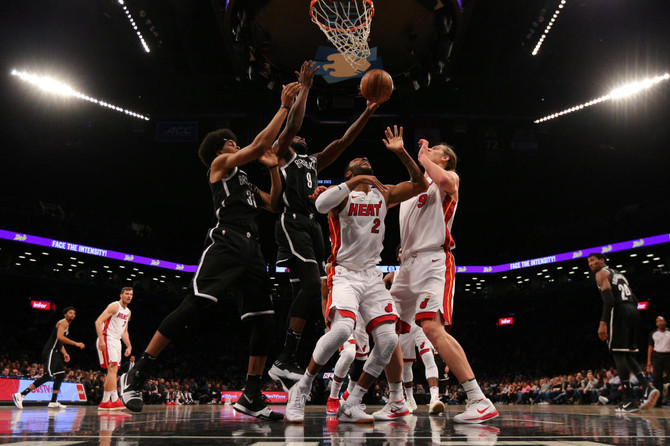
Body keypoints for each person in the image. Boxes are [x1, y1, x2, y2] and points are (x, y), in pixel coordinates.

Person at [118, 82, 301, 421]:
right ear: (221, 149)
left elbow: (274, 204)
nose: (237, 144)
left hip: (252, 249)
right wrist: (284, 107)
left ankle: (251, 395)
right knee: (196, 304)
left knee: (265, 321)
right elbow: (259, 144)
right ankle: (137, 374)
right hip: (226, 240)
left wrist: (274, 168)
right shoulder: (220, 166)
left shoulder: (245, 181)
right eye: (232, 142)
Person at [285, 125, 428, 423]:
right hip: (344, 273)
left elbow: (419, 185)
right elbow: (320, 205)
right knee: (341, 331)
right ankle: (302, 386)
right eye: (357, 162)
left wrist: (402, 152)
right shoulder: (341, 195)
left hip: (372, 276)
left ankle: (352, 402)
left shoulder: (383, 194)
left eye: (366, 160)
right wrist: (356, 181)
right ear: (348, 174)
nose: (364, 158)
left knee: (387, 341)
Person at [269, 64, 381, 391]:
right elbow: (292, 125)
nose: (302, 136)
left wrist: (368, 111)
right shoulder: (284, 154)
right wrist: (304, 89)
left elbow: (344, 141)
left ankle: (287, 358)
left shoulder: (313, 161)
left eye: (304, 137)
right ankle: (285, 358)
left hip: (311, 226)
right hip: (292, 221)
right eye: (299, 136)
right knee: (308, 284)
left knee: (309, 290)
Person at [382, 138, 499, 423]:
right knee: (385, 328)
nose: (429, 150)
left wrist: (422, 157)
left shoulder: (449, 179)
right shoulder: (413, 187)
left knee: (432, 328)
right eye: (428, 149)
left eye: (435, 149)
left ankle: (478, 399)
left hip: (433, 260)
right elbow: (381, 198)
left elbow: (444, 180)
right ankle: (397, 400)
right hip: (406, 265)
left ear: (445, 158)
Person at [587, 252, 660, 412]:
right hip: (632, 310)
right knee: (627, 354)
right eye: (589, 262)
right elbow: (634, 299)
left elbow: (609, 300)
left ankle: (628, 399)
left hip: (619, 310)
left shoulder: (601, 274)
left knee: (618, 353)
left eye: (593, 260)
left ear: (602, 260)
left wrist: (603, 322)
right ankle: (647, 387)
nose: (590, 264)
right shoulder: (619, 274)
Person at [384, 247, 440, 413]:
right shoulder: (392, 276)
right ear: (397, 256)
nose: (403, 253)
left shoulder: (421, 272)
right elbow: (378, 294)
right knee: (406, 365)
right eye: (400, 251)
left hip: (419, 320)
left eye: (405, 250)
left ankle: (434, 398)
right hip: (402, 323)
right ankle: (410, 399)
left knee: (428, 356)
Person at [12, 307, 85, 409]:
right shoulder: (63, 323)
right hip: (51, 351)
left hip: (57, 352)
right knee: (48, 376)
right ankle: (21, 395)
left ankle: (53, 401)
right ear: (65, 315)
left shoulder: (66, 325)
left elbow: (59, 342)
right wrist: (76, 343)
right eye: (70, 313)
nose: (72, 314)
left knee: (60, 375)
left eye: (74, 313)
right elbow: (60, 337)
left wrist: (65, 354)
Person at [95, 287, 133, 410]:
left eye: (131, 294)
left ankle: (106, 401)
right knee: (112, 369)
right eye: (126, 294)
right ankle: (114, 399)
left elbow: (125, 332)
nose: (129, 296)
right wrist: (101, 339)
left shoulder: (128, 312)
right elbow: (98, 321)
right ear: (121, 295)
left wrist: (129, 345)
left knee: (114, 371)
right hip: (107, 337)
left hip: (117, 340)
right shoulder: (114, 306)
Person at [647, 315, 670, 407]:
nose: (660, 322)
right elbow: (650, 347)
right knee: (657, 379)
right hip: (657, 356)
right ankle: (658, 402)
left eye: (661, 320)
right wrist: (649, 361)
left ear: (665, 322)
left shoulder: (669, 332)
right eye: (657, 321)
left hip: (668, 356)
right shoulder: (653, 333)